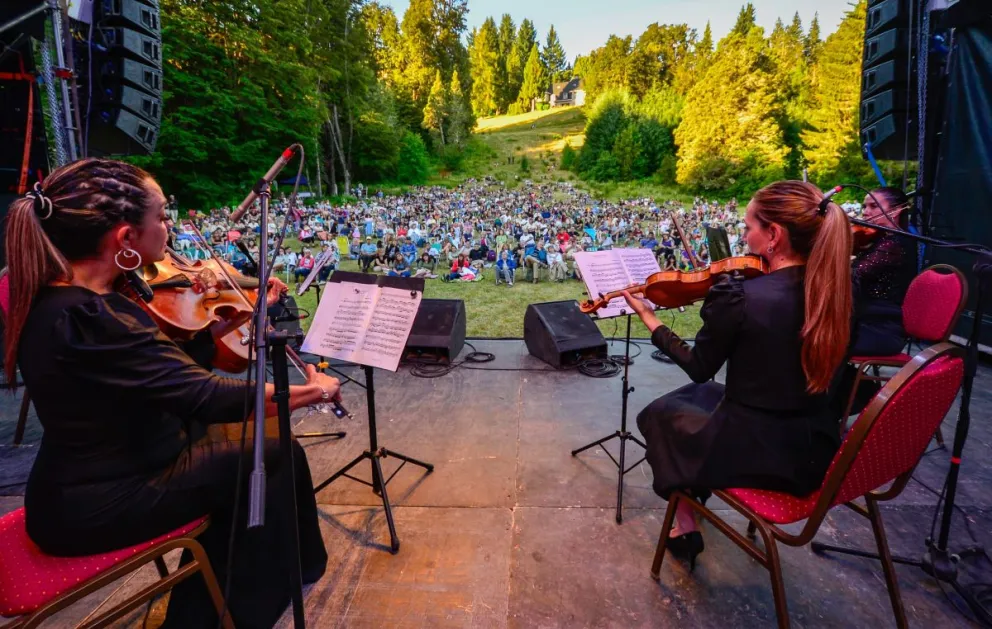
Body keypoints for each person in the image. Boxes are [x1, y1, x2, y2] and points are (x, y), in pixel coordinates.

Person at [4, 158, 339, 628]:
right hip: (99, 501)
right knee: (270, 454)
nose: (170, 227)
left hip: (85, 482)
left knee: (275, 449)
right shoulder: (95, 319)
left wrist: (206, 338)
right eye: (162, 216)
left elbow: (143, 384)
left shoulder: (65, 299)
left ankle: (293, 568)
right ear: (124, 239)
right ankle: (210, 616)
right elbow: (206, 397)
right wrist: (313, 390)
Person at [624, 181, 852, 571]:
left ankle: (685, 522)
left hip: (757, 451)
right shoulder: (838, 291)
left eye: (748, 228)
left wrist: (651, 319)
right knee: (702, 398)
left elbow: (699, 367)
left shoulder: (742, 298)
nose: (743, 238)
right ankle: (691, 501)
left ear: (774, 236)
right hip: (814, 449)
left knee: (660, 414)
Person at [851, 187, 917, 356]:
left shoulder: (895, 243)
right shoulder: (881, 239)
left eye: (873, 206)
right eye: (864, 207)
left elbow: (854, 275)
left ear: (895, 211)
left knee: (811, 337)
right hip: (863, 319)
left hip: (879, 328)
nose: (865, 212)